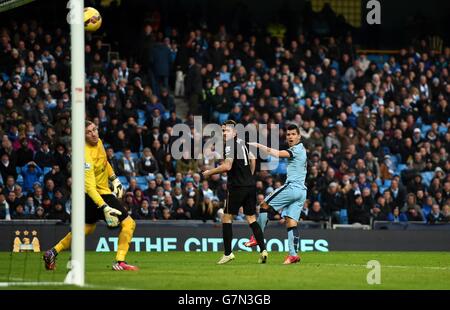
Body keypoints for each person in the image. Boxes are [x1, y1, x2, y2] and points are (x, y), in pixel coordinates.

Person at [43, 121, 138, 271]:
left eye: (94, 129)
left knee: (86, 228)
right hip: (96, 195)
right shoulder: (85, 156)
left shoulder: (99, 142)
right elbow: (90, 188)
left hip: (92, 195)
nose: (94, 133)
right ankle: (120, 262)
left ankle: (52, 252)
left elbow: (105, 163)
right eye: (89, 132)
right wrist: (105, 207)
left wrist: (114, 179)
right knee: (129, 223)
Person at [202, 120, 267, 264]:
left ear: (235, 132)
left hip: (237, 186)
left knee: (226, 217)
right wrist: (248, 176)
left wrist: (209, 172)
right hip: (250, 185)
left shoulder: (229, 145)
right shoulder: (243, 143)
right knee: (251, 218)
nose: (224, 133)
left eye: (227, 131)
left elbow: (227, 166)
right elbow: (253, 159)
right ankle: (263, 250)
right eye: (223, 131)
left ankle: (228, 253)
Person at [245, 124, 307, 264]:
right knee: (291, 222)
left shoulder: (296, 149)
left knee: (264, 205)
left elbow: (278, 154)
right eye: (288, 134)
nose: (290, 136)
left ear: (299, 136)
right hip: (302, 191)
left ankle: (256, 237)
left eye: (293, 134)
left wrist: (258, 145)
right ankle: (293, 255)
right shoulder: (302, 149)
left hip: (292, 188)